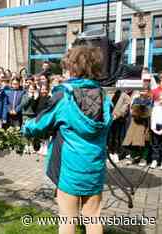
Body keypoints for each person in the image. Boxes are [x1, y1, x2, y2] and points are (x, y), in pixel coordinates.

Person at [23, 46, 113, 234]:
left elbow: (39, 124)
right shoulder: (104, 96)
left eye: (66, 67)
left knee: (67, 220)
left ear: (73, 68)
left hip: (69, 168)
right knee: (93, 217)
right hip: (94, 166)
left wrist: (26, 128)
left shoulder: (64, 95)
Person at [150, 93, 162, 169]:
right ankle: (155, 160)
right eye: (160, 98)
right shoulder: (155, 108)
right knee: (155, 144)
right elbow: (153, 118)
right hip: (156, 126)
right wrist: (153, 128)